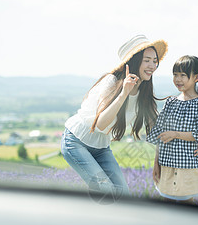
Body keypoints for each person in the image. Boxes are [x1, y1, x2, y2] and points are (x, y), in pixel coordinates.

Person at [61, 35, 169, 200]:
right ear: (134, 60)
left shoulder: (143, 93)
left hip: (101, 147)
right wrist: (124, 93)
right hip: (76, 142)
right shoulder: (111, 82)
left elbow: (159, 130)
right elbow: (100, 125)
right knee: (105, 190)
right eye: (147, 60)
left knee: (123, 195)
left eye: (155, 61)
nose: (152, 66)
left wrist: (190, 142)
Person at [147, 55, 198, 204]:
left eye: (183, 75)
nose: (178, 79)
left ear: (196, 77)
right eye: (175, 75)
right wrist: (156, 163)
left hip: (187, 166)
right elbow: (159, 134)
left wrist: (175, 134)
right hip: (166, 164)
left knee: (186, 206)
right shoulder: (170, 102)